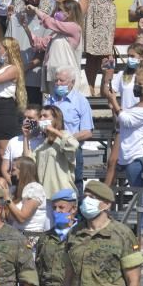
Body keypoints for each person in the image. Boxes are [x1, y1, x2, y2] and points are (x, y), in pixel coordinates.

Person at [104, 66, 143, 191]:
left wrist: (114, 102)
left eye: (140, 83)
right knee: (138, 195)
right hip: (130, 155)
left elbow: (128, 121)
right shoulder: (138, 105)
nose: (136, 86)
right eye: (135, 83)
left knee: (141, 196)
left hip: (139, 156)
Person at [81, 0, 121, 96]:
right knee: (91, 54)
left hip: (103, 14)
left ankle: (106, 85)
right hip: (88, 14)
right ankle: (90, 88)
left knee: (105, 53)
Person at [48, 66, 94, 194]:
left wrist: (67, 138)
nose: (58, 84)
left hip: (71, 150)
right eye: (56, 80)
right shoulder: (49, 100)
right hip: (51, 148)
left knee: (74, 184)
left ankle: (76, 212)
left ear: (72, 82)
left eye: (62, 81)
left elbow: (87, 132)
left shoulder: (81, 101)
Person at [25, 0, 83, 96]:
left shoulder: (74, 28)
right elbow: (38, 44)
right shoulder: (56, 34)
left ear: (69, 13)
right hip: (53, 76)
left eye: (60, 10)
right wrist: (26, 28)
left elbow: (50, 22)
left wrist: (35, 10)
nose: (57, 13)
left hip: (67, 77)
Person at [24, 105, 79, 198]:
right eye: (40, 116)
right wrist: (26, 137)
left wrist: (53, 130)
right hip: (46, 195)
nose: (41, 119)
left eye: (45, 116)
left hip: (63, 194)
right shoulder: (44, 144)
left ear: (55, 119)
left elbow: (74, 145)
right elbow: (28, 160)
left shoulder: (64, 135)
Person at [6, 0, 49, 104]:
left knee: (33, 115)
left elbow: (44, 51)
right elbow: (8, 45)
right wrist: (15, 69)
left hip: (34, 78)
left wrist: (25, 68)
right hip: (15, 77)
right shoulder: (14, 19)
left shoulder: (45, 20)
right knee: (17, 116)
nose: (34, 2)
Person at [4, 156, 49, 239]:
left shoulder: (34, 189)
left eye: (13, 170)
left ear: (23, 171)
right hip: (15, 235)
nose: (10, 173)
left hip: (30, 239)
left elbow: (22, 218)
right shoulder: (16, 189)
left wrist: (7, 199)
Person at [3, 105, 44, 180]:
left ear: (39, 120)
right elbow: (4, 169)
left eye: (30, 118)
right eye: (24, 118)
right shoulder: (13, 141)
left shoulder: (43, 141)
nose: (26, 121)